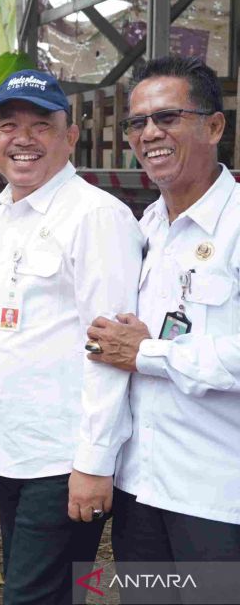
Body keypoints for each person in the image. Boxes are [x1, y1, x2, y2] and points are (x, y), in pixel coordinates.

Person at [0, 69, 143, 605]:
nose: (23, 139)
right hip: (15, 449)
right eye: (8, 124)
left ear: (71, 136)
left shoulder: (95, 217)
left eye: (42, 125)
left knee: (32, 596)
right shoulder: (3, 214)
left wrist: (93, 462)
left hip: (62, 458)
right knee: (39, 591)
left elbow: (111, 350)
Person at [87, 56, 240, 574]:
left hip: (217, 497)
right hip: (141, 488)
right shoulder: (146, 225)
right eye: (137, 123)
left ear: (214, 125)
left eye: (168, 117)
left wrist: (150, 353)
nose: (150, 132)